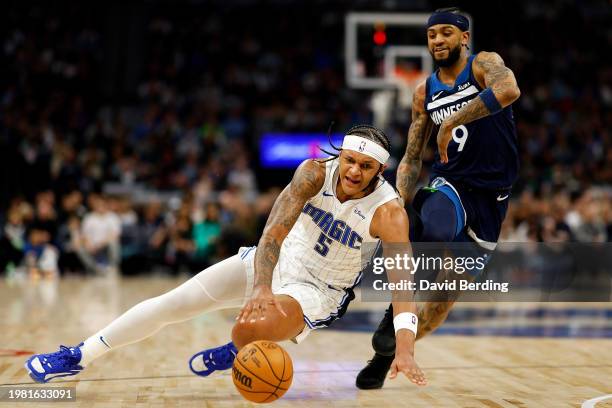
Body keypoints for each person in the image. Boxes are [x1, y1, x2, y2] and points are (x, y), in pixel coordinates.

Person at [25, 125, 427, 387]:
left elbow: (402, 284)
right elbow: (273, 232)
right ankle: (79, 354)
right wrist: (263, 286)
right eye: (350, 160)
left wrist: (405, 347)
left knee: (251, 329)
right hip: (274, 259)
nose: (354, 171)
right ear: (341, 154)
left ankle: (234, 350)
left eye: (366, 166)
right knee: (174, 303)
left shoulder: (388, 213)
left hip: (318, 291)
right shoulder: (312, 173)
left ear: (379, 170)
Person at [356, 7, 521, 389]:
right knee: (435, 228)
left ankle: (388, 354)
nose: (438, 40)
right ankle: (390, 322)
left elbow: (509, 90)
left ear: (464, 37)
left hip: (492, 201)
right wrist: (395, 201)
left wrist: (452, 120)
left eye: (446, 33)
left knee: (442, 302)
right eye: (432, 35)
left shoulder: (484, 65)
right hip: (449, 184)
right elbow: (413, 157)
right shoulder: (424, 91)